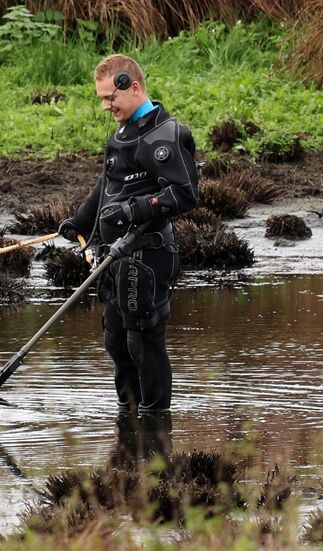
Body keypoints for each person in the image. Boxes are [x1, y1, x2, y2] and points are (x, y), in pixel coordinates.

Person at [58, 54, 199, 412]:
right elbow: (109, 184)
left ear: (133, 87)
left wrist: (133, 211)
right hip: (113, 255)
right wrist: (80, 221)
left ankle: (155, 422)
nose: (106, 106)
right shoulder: (122, 133)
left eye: (111, 98)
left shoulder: (165, 134)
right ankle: (129, 417)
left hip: (148, 255)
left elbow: (185, 194)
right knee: (116, 340)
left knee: (143, 340)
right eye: (102, 99)